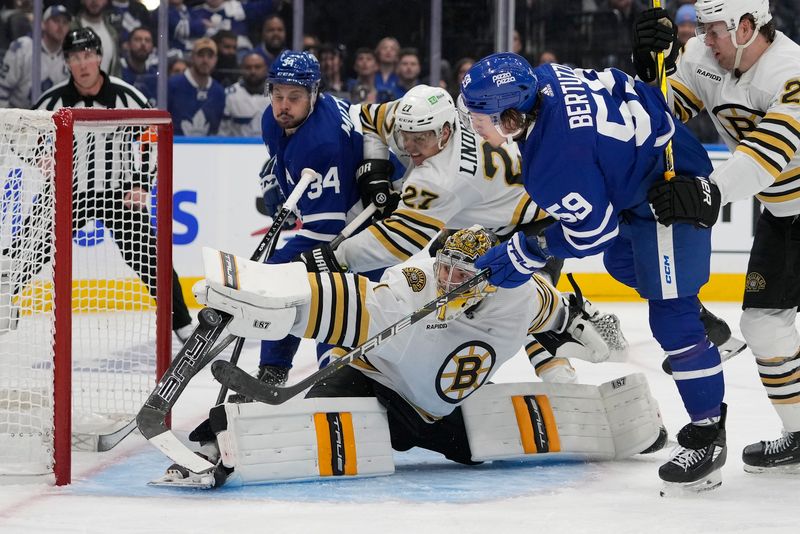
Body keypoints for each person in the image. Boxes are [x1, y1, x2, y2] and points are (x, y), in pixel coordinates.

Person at [169, 226, 663, 487]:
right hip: (375, 381)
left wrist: (593, 335)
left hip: (439, 409)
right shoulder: (413, 283)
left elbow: (565, 314)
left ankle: (639, 429)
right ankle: (215, 438)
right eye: (443, 267)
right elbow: (350, 306)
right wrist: (277, 308)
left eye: (458, 272)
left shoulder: (522, 294)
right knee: (322, 417)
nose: (446, 280)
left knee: (477, 451)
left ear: (487, 272)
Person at [459, 52, 727, 493]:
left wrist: (527, 251)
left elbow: (592, 234)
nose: (474, 125)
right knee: (622, 263)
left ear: (511, 117)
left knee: (671, 318)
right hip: (651, 167)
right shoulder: (548, 76)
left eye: (481, 116)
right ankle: (697, 318)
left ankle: (708, 430)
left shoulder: (552, 166)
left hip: (667, 193)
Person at [299, 85, 581, 383]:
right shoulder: (412, 118)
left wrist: (335, 257)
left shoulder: (442, 179)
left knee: (520, 299)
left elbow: (396, 242)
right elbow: (368, 119)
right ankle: (456, 370)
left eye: (421, 139)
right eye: (406, 136)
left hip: (534, 222)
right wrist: (375, 167)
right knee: (453, 293)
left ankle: (557, 371)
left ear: (446, 131)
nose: (411, 147)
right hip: (477, 218)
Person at [632, 0, 800, 475]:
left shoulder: (792, 72)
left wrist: (711, 194)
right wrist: (648, 74)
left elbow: (771, 153)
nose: (705, 39)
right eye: (702, 30)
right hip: (783, 215)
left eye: (714, 30)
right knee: (765, 327)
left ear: (747, 27)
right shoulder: (702, 59)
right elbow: (661, 120)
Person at [10, 28, 194, 341]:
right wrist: (40, 156)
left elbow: (155, 135)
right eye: (75, 57)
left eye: (87, 55)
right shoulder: (53, 99)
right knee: (26, 248)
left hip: (119, 193)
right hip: (68, 192)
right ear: (67, 62)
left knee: (150, 257)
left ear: (99, 56)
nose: (83, 64)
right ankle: (4, 302)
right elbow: (19, 132)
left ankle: (182, 323)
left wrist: (140, 183)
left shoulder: (127, 95)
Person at [252, 50, 367, 387]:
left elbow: (328, 232)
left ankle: (333, 377)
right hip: (346, 213)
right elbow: (285, 162)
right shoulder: (273, 120)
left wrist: (285, 268)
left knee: (324, 290)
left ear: (314, 94)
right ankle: (276, 368)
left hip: (368, 226)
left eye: (295, 97)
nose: (283, 105)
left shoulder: (322, 143)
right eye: (278, 95)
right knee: (290, 277)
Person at [0, 4, 71, 109]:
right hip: (16, 115)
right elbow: (2, 89)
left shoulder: (71, 55)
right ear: (43, 24)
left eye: (65, 22)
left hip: (49, 119)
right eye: (56, 20)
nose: (60, 26)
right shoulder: (22, 47)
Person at [167, 37, 225, 136]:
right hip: (175, 147)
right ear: (192, 57)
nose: (205, 60)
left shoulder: (218, 92)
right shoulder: (172, 85)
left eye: (210, 56)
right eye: (201, 55)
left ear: (215, 59)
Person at [219, 52, 269, 137]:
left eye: (257, 67)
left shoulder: (277, 94)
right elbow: (223, 131)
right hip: (238, 148)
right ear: (241, 68)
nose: (253, 71)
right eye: (248, 67)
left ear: (265, 69)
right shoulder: (230, 94)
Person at [74, 0, 121, 77]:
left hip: (106, 87)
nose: (94, 1)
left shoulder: (112, 32)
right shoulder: (71, 28)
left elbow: (116, 68)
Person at [120, 26, 158, 107]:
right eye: (138, 39)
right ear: (128, 45)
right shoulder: (118, 71)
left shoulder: (154, 76)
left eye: (147, 40)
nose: (143, 44)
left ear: (152, 47)